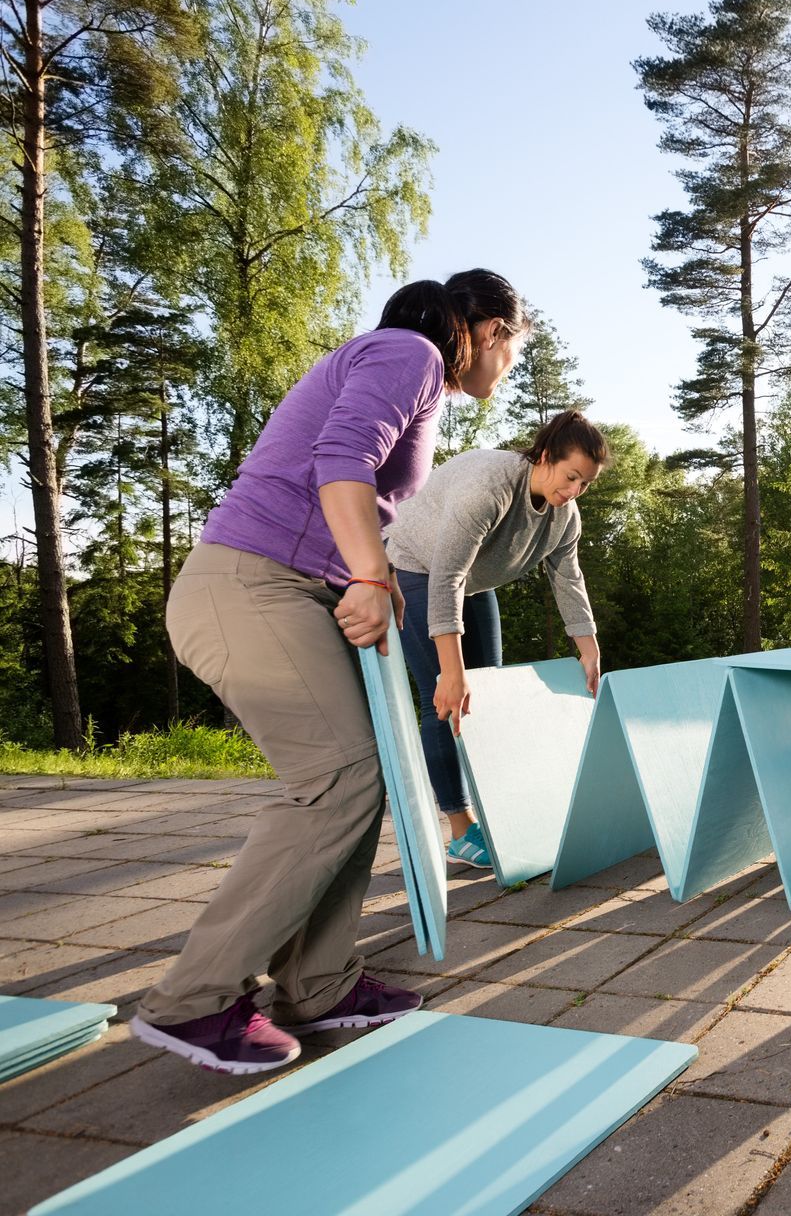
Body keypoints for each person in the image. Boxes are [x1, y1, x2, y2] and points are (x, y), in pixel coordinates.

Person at [132, 270, 530, 1075]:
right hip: (251, 582)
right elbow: (340, 460)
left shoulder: (407, 365)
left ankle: (318, 986)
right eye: (517, 346)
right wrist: (374, 579)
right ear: (490, 331)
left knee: (362, 776)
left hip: (285, 588)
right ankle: (195, 998)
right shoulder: (410, 353)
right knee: (339, 775)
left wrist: (360, 574)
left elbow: (347, 487)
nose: (513, 363)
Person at [384, 410, 609, 870]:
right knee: (445, 698)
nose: (574, 491)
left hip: (474, 582)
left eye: (585, 483)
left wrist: (589, 650)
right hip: (418, 566)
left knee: (489, 696)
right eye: (570, 477)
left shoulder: (565, 515)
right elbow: (446, 577)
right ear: (545, 456)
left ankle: (496, 813)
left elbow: (569, 579)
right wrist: (453, 671)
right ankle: (461, 829)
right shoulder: (487, 489)